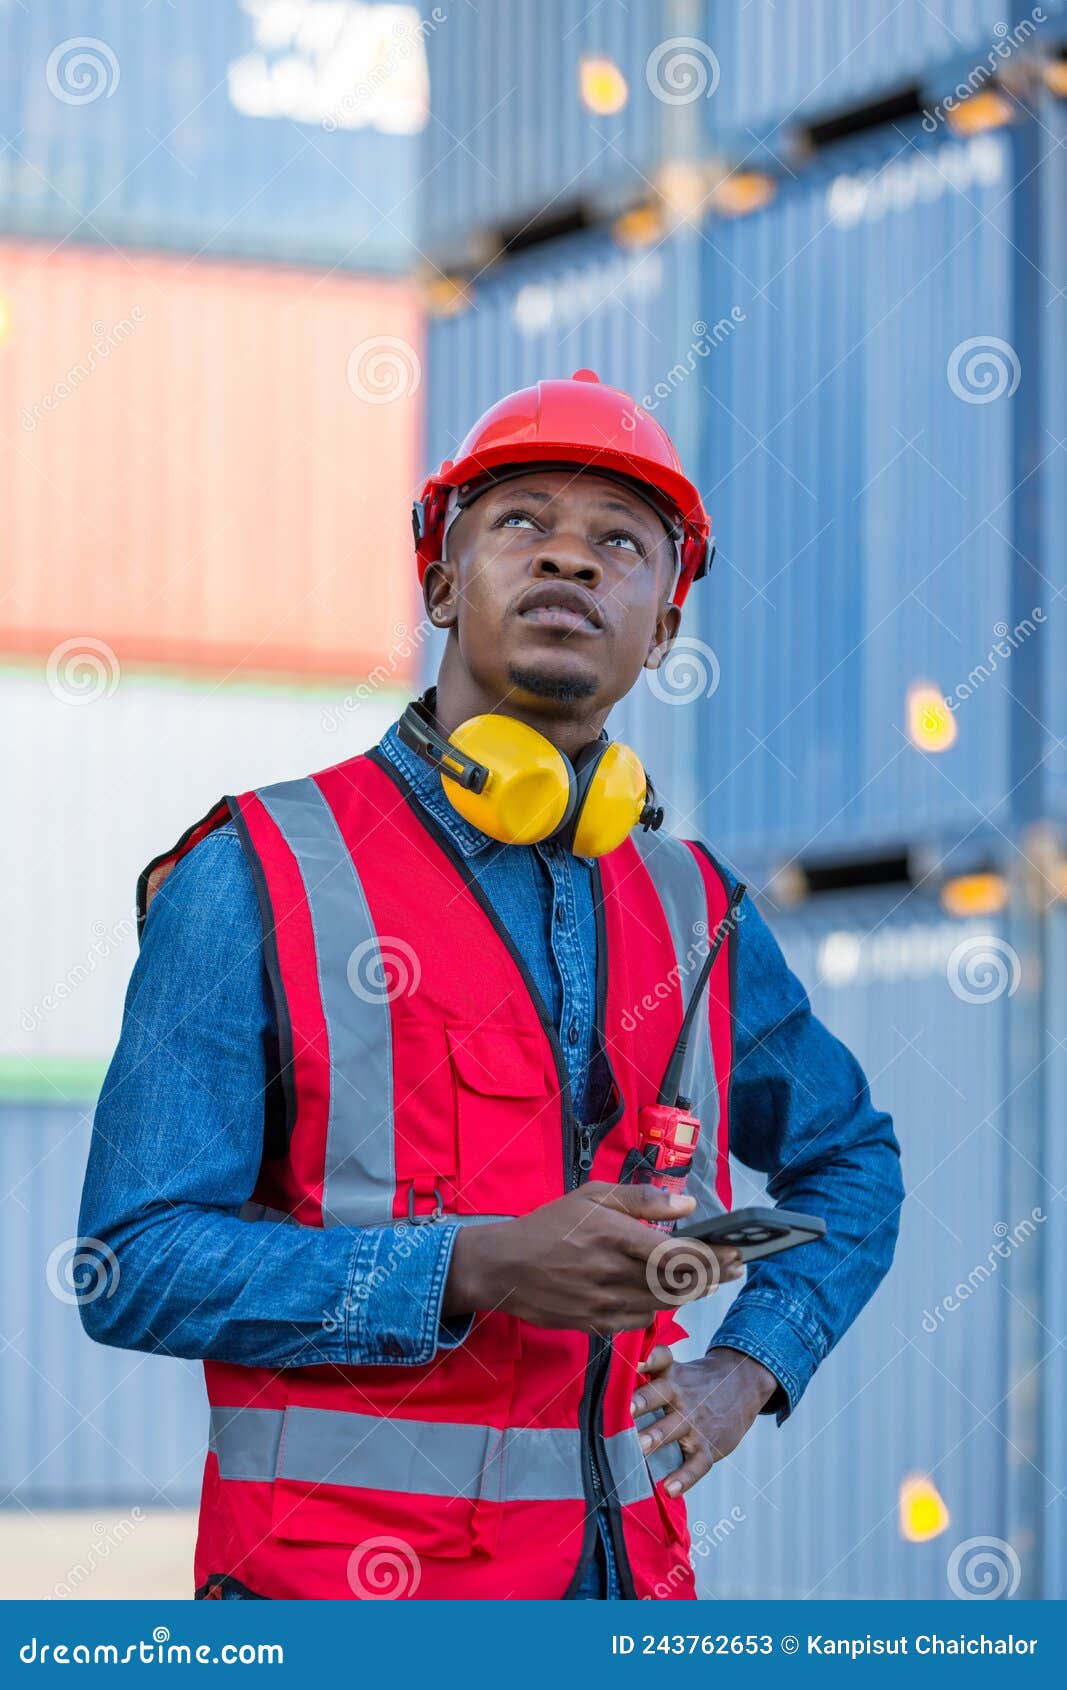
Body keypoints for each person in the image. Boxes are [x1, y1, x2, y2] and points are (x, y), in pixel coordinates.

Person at [79, 370, 903, 1601]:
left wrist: (749, 1369)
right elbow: (131, 1261)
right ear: (441, 581)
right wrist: (474, 1265)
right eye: (522, 522)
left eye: (620, 543)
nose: (570, 560)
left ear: (664, 626)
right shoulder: (256, 872)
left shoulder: (696, 908)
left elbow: (853, 1161)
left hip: (628, 1598)